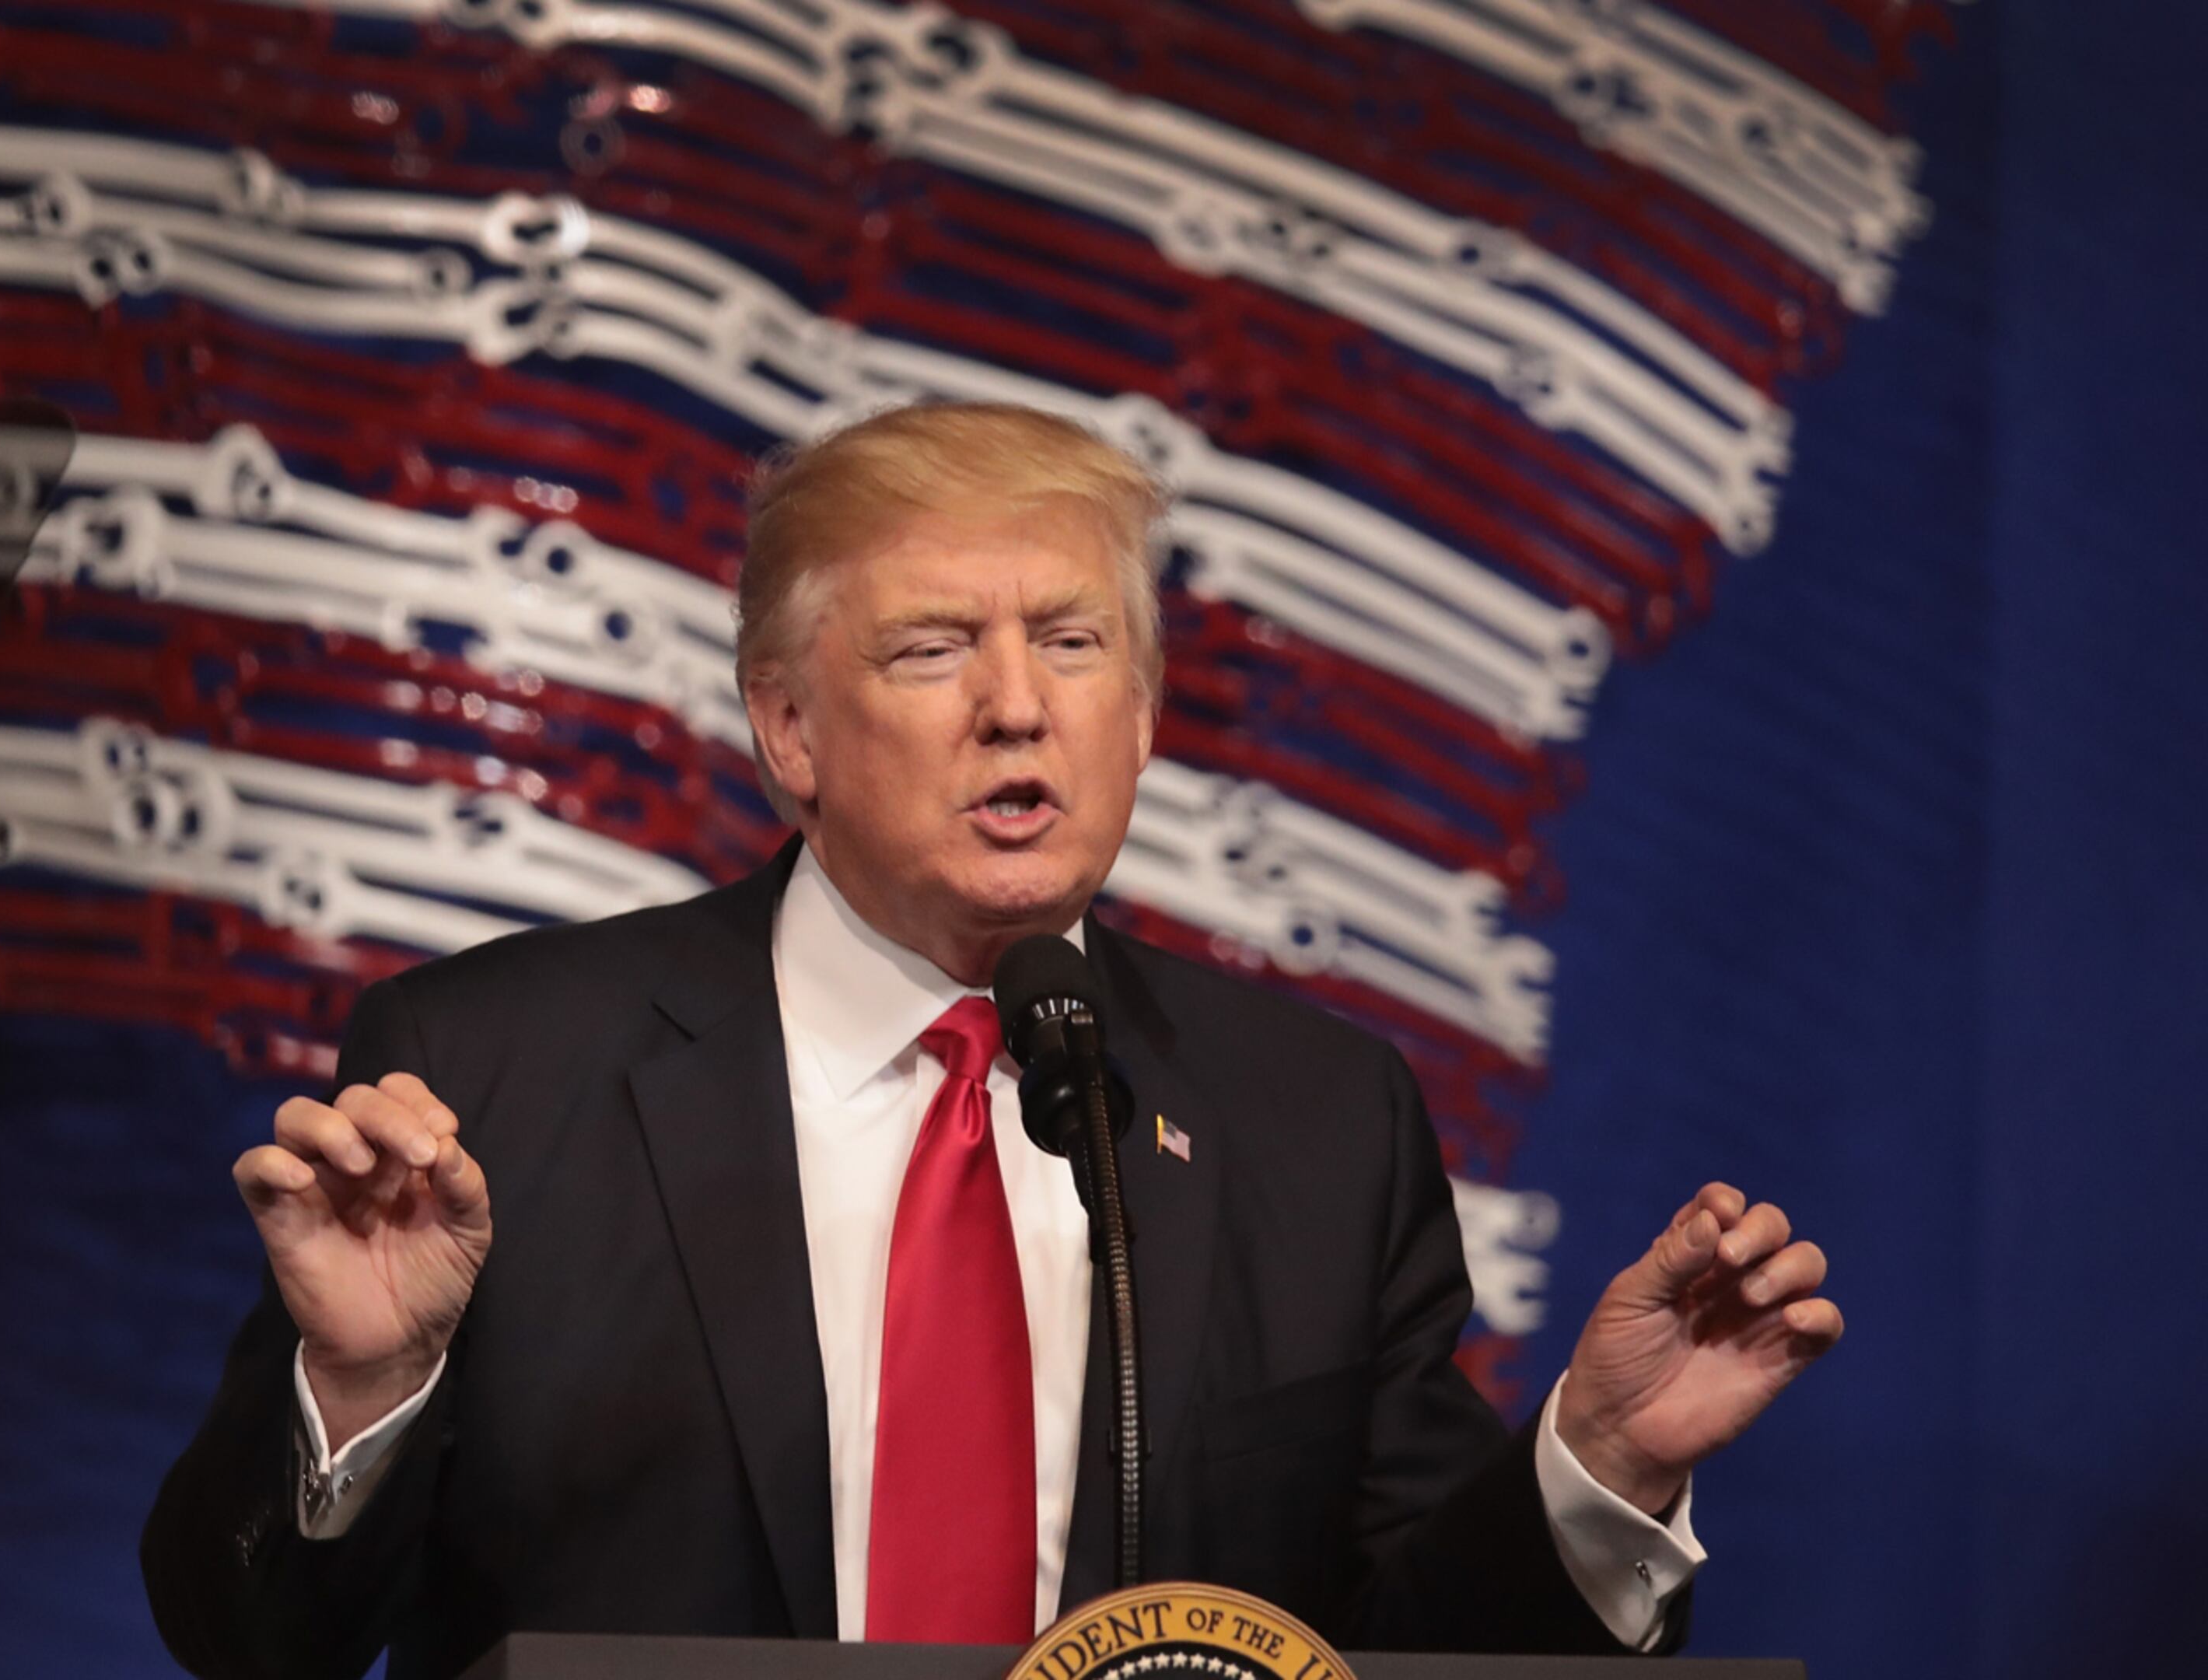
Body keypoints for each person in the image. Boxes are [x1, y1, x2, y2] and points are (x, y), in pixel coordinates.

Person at [141, 403, 1842, 1680]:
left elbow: (1400, 1649)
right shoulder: (499, 1070)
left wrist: (1597, 1470)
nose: (1018, 705)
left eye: (1074, 644)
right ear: (790, 726)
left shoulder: (1316, 1123)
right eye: (936, 648)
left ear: (1146, 717)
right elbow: (246, 1640)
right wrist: (364, 1387)